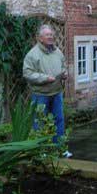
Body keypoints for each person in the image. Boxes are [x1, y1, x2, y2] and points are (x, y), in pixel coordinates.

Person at [23, 24, 72, 158]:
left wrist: (64, 73)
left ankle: (60, 149)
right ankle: (42, 151)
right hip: (40, 95)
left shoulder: (57, 51)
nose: (51, 37)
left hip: (56, 93)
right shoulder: (32, 55)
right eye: (47, 35)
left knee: (59, 120)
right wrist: (44, 78)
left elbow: (62, 66)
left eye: (51, 35)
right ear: (40, 38)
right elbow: (27, 74)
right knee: (39, 122)